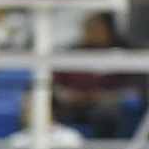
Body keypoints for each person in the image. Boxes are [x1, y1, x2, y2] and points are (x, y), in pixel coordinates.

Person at [54, 11, 141, 139]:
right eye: (88, 28)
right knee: (45, 107)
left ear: (109, 30)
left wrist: (110, 96)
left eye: (96, 28)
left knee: (106, 114)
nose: (91, 32)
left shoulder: (125, 55)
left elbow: (135, 89)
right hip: (74, 105)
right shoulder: (72, 53)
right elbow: (55, 85)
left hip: (106, 106)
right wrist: (67, 94)